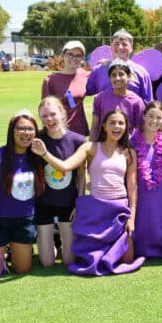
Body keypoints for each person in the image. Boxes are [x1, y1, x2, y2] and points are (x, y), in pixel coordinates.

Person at [32, 109, 144, 275]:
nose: (116, 126)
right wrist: (45, 154)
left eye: (121, 123)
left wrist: (131, 217)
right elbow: (66, 166)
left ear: (126, 127)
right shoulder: (90, 148)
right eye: (112, 122)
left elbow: (132, 186)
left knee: (127, 259)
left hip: (119, 209)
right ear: (104, 126)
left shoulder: (129, 153)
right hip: (96, 209)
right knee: (87, 261)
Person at [0, 111, 44, 278]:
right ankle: (5, 249)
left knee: (22, 269)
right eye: (21, 128)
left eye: (30, 129)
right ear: (12, 131)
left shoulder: (37, 157)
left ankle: (14, 250)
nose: (26, 133)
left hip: (24, 221)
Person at [36, 97, 86, 267]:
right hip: (44, 203)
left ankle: (60, 238)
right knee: (47, 262)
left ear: (62, 114)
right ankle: (55, 242)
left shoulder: (78, 140)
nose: (49, 119)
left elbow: (81, 174)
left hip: (68, 203)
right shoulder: (37, 139)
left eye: (52, 114)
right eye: (44, 116)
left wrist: (79, 203)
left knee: (70, 260)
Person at [129, 101, 162, 259]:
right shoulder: (132, 142)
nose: (154, 121)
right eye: (151, 116)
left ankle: (161, 247)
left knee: (159, 220)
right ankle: (140, 248)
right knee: (142, 220)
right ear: (144, 116)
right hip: (139, 190)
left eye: (158, 117)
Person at [86, 29, 153, 103]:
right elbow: (81, 90)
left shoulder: (142, 73)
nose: (120, 47)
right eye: (117, 44)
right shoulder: (99, 70)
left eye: (124, 44)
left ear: (131, 48)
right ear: (111, 47)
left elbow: (148, 103)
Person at [41, 40, 90, 136]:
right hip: (60, 132)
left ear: (82, 58)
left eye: (78, 55)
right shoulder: (50, 80)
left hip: (80, 132)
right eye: (70, 54)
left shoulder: (83, 74)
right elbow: (44, 111)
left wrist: (106, 63)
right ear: (63, 56)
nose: (74, 58)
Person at [91, 59, 146, 140]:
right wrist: (92, 148)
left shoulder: (137, 101)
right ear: (109, 78)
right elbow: (94, 127)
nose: (117, 78)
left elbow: (139, 130)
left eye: (121, 74)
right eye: (113, 75)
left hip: (126, 147)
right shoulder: (100, 98)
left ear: (129, 76)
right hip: (103, 146)